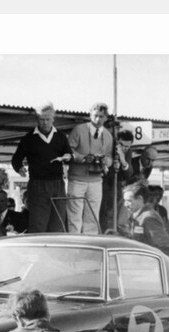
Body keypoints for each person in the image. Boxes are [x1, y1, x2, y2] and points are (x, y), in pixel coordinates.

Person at [11, 100, 73, 233]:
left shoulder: (60, 137)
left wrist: (68, 157)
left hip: (58, 184)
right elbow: (16, 159)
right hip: (38, 185)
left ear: (53, 119)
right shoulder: (29, 138)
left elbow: (69, 155)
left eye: (48, 119)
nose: (45, 123)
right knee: (38, 223)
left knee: (58, 223)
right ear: (37, 119)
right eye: (41, 119)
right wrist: (19, 168)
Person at [66, 102, 113, 234]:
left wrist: (106, 161)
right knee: (75, 217)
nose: (97, 119)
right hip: (77, 180)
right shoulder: (79, 130)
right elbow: (68, 151)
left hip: (96, 181)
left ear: (106, 118)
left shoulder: (108, 136)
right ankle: (74, 244)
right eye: (95, 116)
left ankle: (90, 246)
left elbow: (109, 157)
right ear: (90, 115)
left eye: (101, 116)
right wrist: (82, 158)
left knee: (92, 217)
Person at [121, 183, 169, 256]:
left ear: (140, 199)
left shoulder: (149, 218)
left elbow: (167, 248)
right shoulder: (136, 216)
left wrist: (148, 263)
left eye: (129, 201)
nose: (125, 204)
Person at [100, 129, 136, 234]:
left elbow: (128, 174)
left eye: (127, 146)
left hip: (116, 188)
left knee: (116, 217)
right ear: (117, 141)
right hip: (103, 185)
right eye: (122, 145)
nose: (124, 148)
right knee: (105, 216)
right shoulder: (108, 147)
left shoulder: (128, 151)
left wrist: (123, 160)